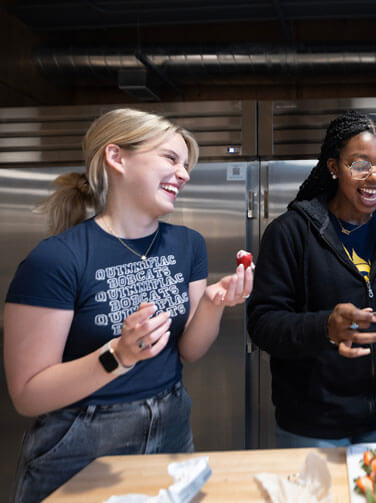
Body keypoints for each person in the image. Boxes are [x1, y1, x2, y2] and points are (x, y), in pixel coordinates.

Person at [4, 108, 254, 502]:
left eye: (186, 165)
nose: (184, 174)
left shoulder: (188, 245)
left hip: (171, 420)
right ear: (116, 157)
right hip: (82, 437)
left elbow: (189, 351)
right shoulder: (56, 259)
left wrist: (212, 303)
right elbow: (28, 394)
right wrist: (117, 355)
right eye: (170, 159)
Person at [247, 110, 376, 447]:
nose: (375, 176)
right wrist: (326, 328)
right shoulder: (290, 232)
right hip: (311, 424)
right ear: (333, 167)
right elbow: (262, 324)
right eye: (360, 165)